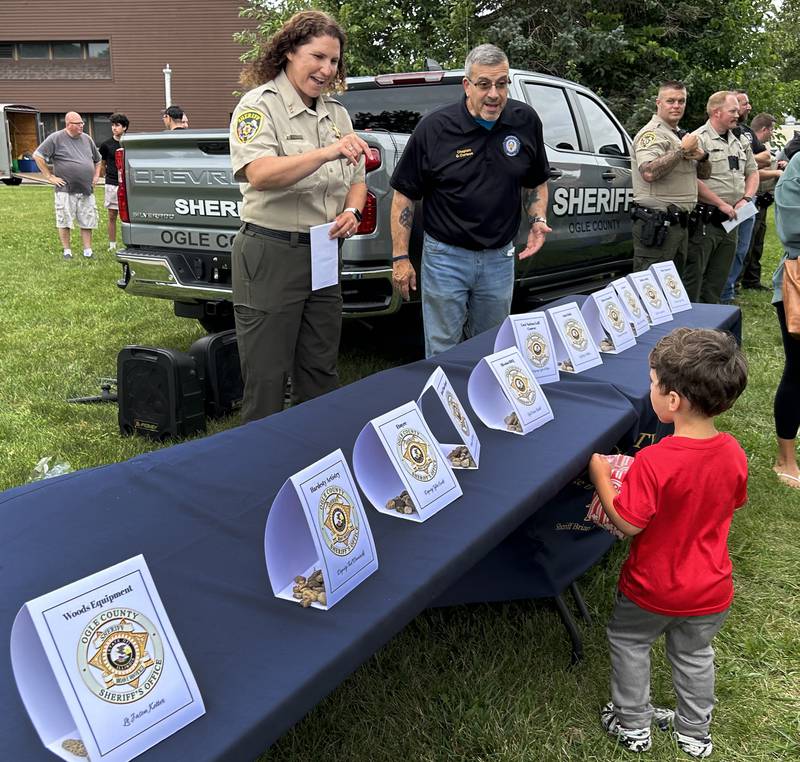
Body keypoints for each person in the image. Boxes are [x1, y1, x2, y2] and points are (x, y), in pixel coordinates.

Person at [589, 327, 748, 758]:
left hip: (651, 587)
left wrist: (602, 476)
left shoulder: (655, 460)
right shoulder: (734, 452)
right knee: (696, 655)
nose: (651, 390)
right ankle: (695, 732)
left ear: (672, 400)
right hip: (712, 589)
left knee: (630, 644)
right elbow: (728, 502)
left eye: (653, 383)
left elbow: (628, 523)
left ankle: (632, 724)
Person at [228, 10, 368, 423]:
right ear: (289, 51)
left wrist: (352, 210)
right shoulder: (258, 107)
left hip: (324, 250)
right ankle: (259, 471)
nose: (327, 69)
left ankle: (314, 465)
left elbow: (357, 178)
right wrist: (327, 152)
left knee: (320, 368)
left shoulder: (336, 114)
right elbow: (260, 174)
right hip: (272, 251)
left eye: (334, 61)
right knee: (268, 377)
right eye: (317, 57)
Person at [389, 43, 551, 358]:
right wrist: (400, 258)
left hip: (499, 259)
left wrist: (538, 220)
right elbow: (404, 195)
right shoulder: (435, 128)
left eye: (502, 83)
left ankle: (484, 406)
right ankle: (445, 406)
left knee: (492, 349)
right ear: (467, 85)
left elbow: (536, 182)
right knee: (442, 350)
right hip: (445, 258)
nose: (494, 94)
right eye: (484, 84)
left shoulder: (525, 121)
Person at [685, 92, 758, 304]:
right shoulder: (697, 139)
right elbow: (691, 180)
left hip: (733, 218)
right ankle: (691, 328)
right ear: (717, 112)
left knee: (720, 275)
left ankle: (713, 324)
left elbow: (752, 172)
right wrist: (720, 204)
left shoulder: (740, 140)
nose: (738, 114)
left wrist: (746, 198)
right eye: (733, 110)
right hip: (707, 219)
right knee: (696, 275)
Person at [630, 80, 709, 274]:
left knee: (673, 290)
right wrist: (681, 150)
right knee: (651, 290)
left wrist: (703, 157)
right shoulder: (652, 134)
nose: (676, 106)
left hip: (678, 225)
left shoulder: (678, 135)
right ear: (658, 103)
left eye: (681, 101)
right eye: (670, 101)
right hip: (658, 225)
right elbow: (648, 172)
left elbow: (704, 175)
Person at [719, 93, 773, 302]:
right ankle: (721, 293)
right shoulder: (715, 134)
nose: (748, 107)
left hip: (747, 201)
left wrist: (748, 196)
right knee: (725, 250)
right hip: (725, 202)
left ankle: (729, 290)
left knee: (742, 249)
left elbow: (763, 159)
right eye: (743, 104)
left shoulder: (745, 134)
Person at [33, 111, 101, 260]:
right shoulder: (55, 138)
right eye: (79, 123)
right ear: (69, 124)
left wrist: (96, 176)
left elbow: (98, 160)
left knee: (87, 219)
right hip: (65, 189)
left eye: (82, 123)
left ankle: (88, 250)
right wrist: (49, 176)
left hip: (86, 189)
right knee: (64, 219)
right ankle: (67, 251)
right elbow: (37, 156)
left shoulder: (87, 139)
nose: (82, 125)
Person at [771, 152, 800, 489]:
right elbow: (792, 228)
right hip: (797, 283)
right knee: (798, 371)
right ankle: (785, 457)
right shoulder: (798, 166)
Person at [739, 113, 785, 291]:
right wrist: (775, 173)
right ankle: (739, 280)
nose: (773, 133)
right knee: (746, 243)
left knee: (757, 242)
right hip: (752, 198)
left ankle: (752, 279)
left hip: (763, 199)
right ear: (764, 129)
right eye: (772, 129)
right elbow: (750, 171)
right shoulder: (748, 145)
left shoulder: (763, 147)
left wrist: (777, 165)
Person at [98, 112, 129, 252]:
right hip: (112, 182)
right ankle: (112, 244)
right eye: (112, 125)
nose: (114, 128)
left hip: (128, 183)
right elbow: (102, 163)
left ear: (124, 127)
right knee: (112, 215)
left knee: (128, 215)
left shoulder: (130, 143)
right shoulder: (106, 145)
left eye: (117, 125)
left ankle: (130, 242)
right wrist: (102, 175)